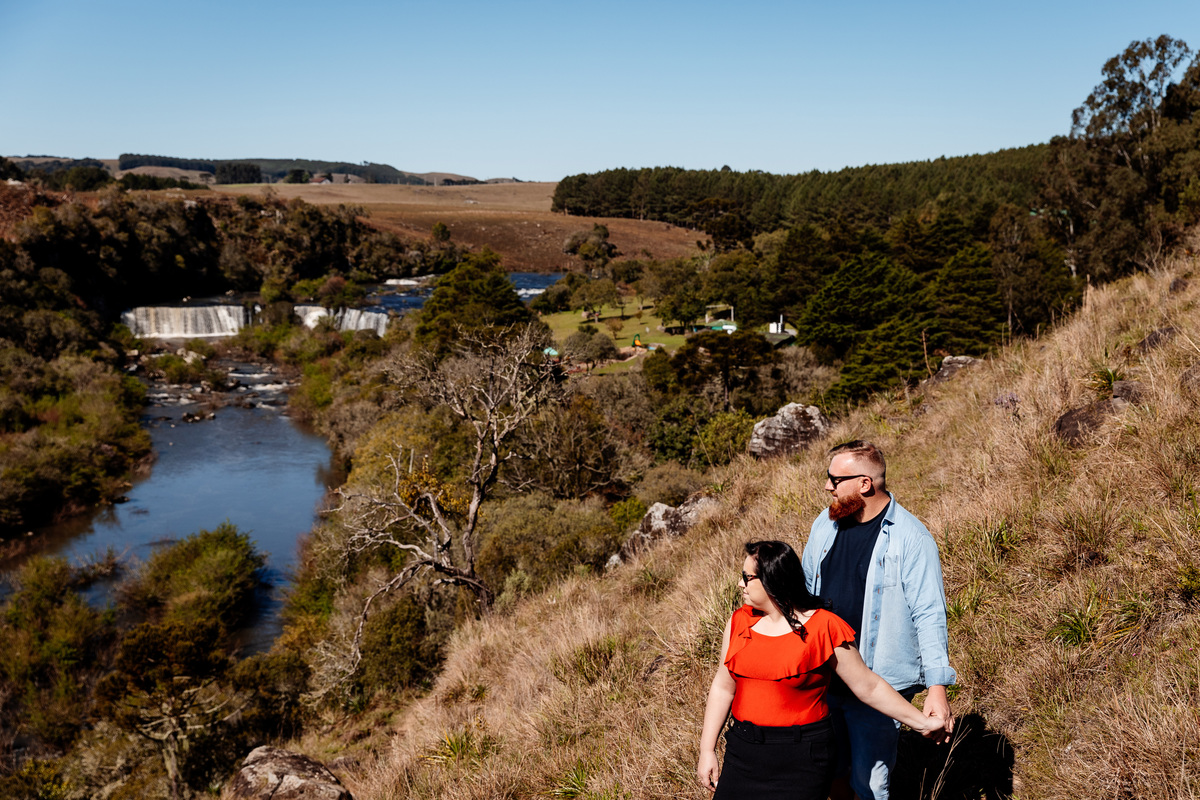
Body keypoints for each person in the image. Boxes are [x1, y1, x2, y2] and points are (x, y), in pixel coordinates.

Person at [697, 540, 947, 800]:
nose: (740, 584)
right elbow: (723, 687)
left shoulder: (824, 626)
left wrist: (922, 723)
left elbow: (868, 686)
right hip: (743, 753)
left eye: (747, 577)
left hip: (802, 759)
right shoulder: (738, 622)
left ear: (772, 579)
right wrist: (707, 750)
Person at [801, 440, 956, 800]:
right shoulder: (824, 525)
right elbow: (806, 594)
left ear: (864, 484)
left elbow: (929, 614)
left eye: (834, 480)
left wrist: (937, 687)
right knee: (828, 771)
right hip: (824, 676)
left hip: (878, 682)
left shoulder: (910, 538)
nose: (827, 487)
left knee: (870, 784)